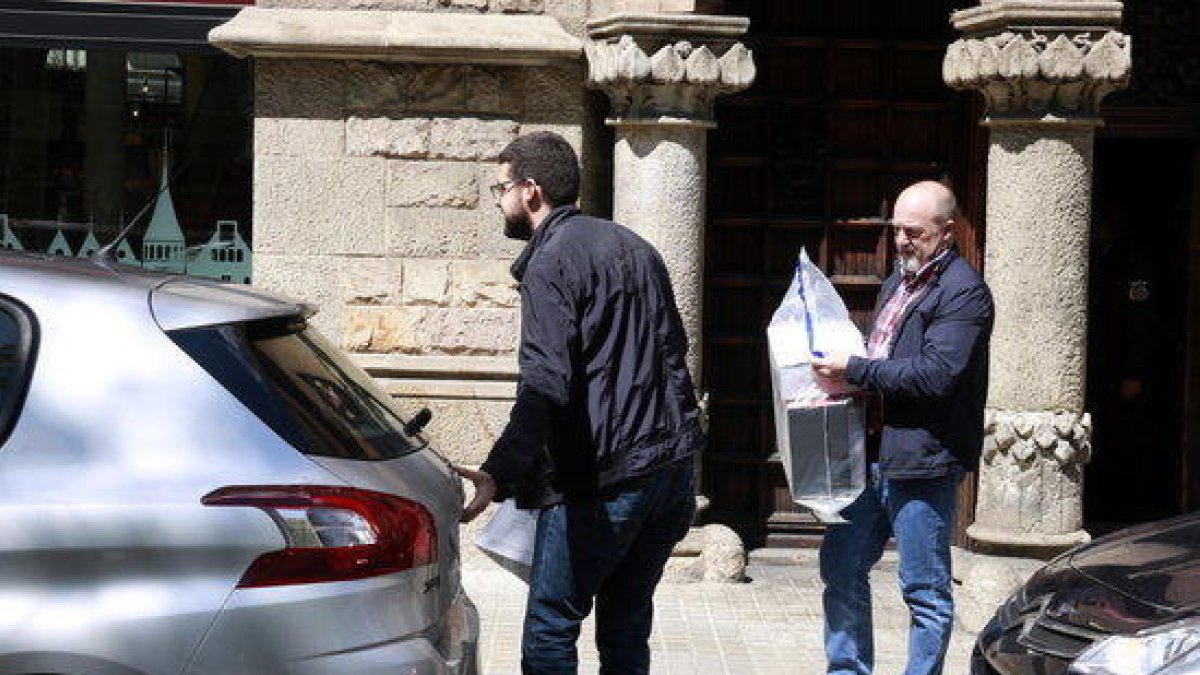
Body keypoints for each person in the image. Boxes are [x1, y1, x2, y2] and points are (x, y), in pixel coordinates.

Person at [455, 131, 704, 675]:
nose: (497, 199)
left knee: (550, 629)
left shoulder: (551, 263)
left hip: (605, 480)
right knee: (626, 626)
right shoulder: (637, 247)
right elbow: (674, 353)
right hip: (668, 473)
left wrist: (498, 472)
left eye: (499, 188)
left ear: (531, 190)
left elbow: (545, 385)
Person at [810, 180, 994, 675]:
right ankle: (847, 669)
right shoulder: (899, 280)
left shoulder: (964, 293)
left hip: (924, 461)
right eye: (897, 230)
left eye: (914, 232)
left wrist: (856, 370)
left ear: (949, 232)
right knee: (841, 566)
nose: (903, 241)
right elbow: (883, 352)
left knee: (924, 591)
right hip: (871, 454)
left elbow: (938, 374)